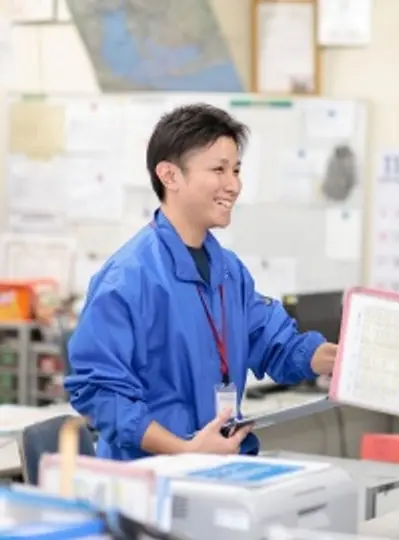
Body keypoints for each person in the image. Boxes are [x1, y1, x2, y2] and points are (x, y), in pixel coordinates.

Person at [65, 103, 337, 461]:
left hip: (219, 470)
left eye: (236, 170)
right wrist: (186, 450)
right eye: (219, 170)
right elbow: (98, 391)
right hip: (150, 481)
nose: (234, 185)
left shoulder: (229, 271)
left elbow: (277, 344)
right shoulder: (128, 278)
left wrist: (345, 360)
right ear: (170, 176)